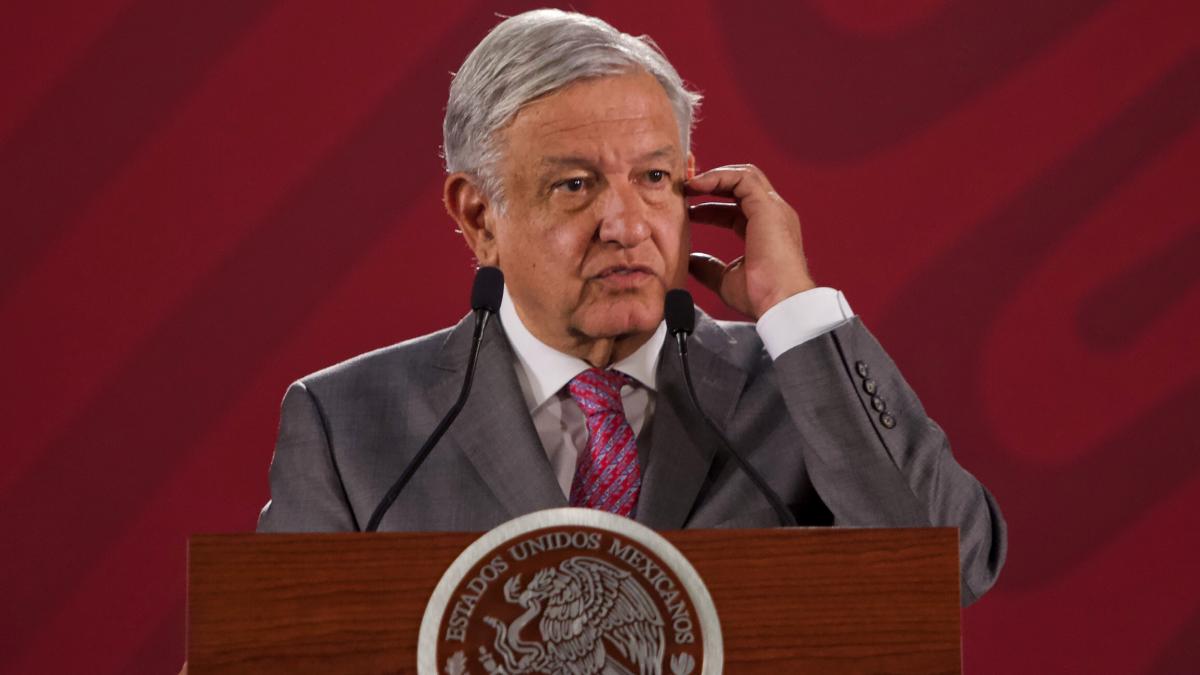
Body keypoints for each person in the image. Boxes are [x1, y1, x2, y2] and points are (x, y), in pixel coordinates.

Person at [257, 9, 1005, 605]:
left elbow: (948, 574)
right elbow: (279, 651)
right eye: (575, 185)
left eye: (652, 178)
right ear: (480, 216)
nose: (627, 225)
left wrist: (794, 307)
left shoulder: (800, 389)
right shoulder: (348, 425)